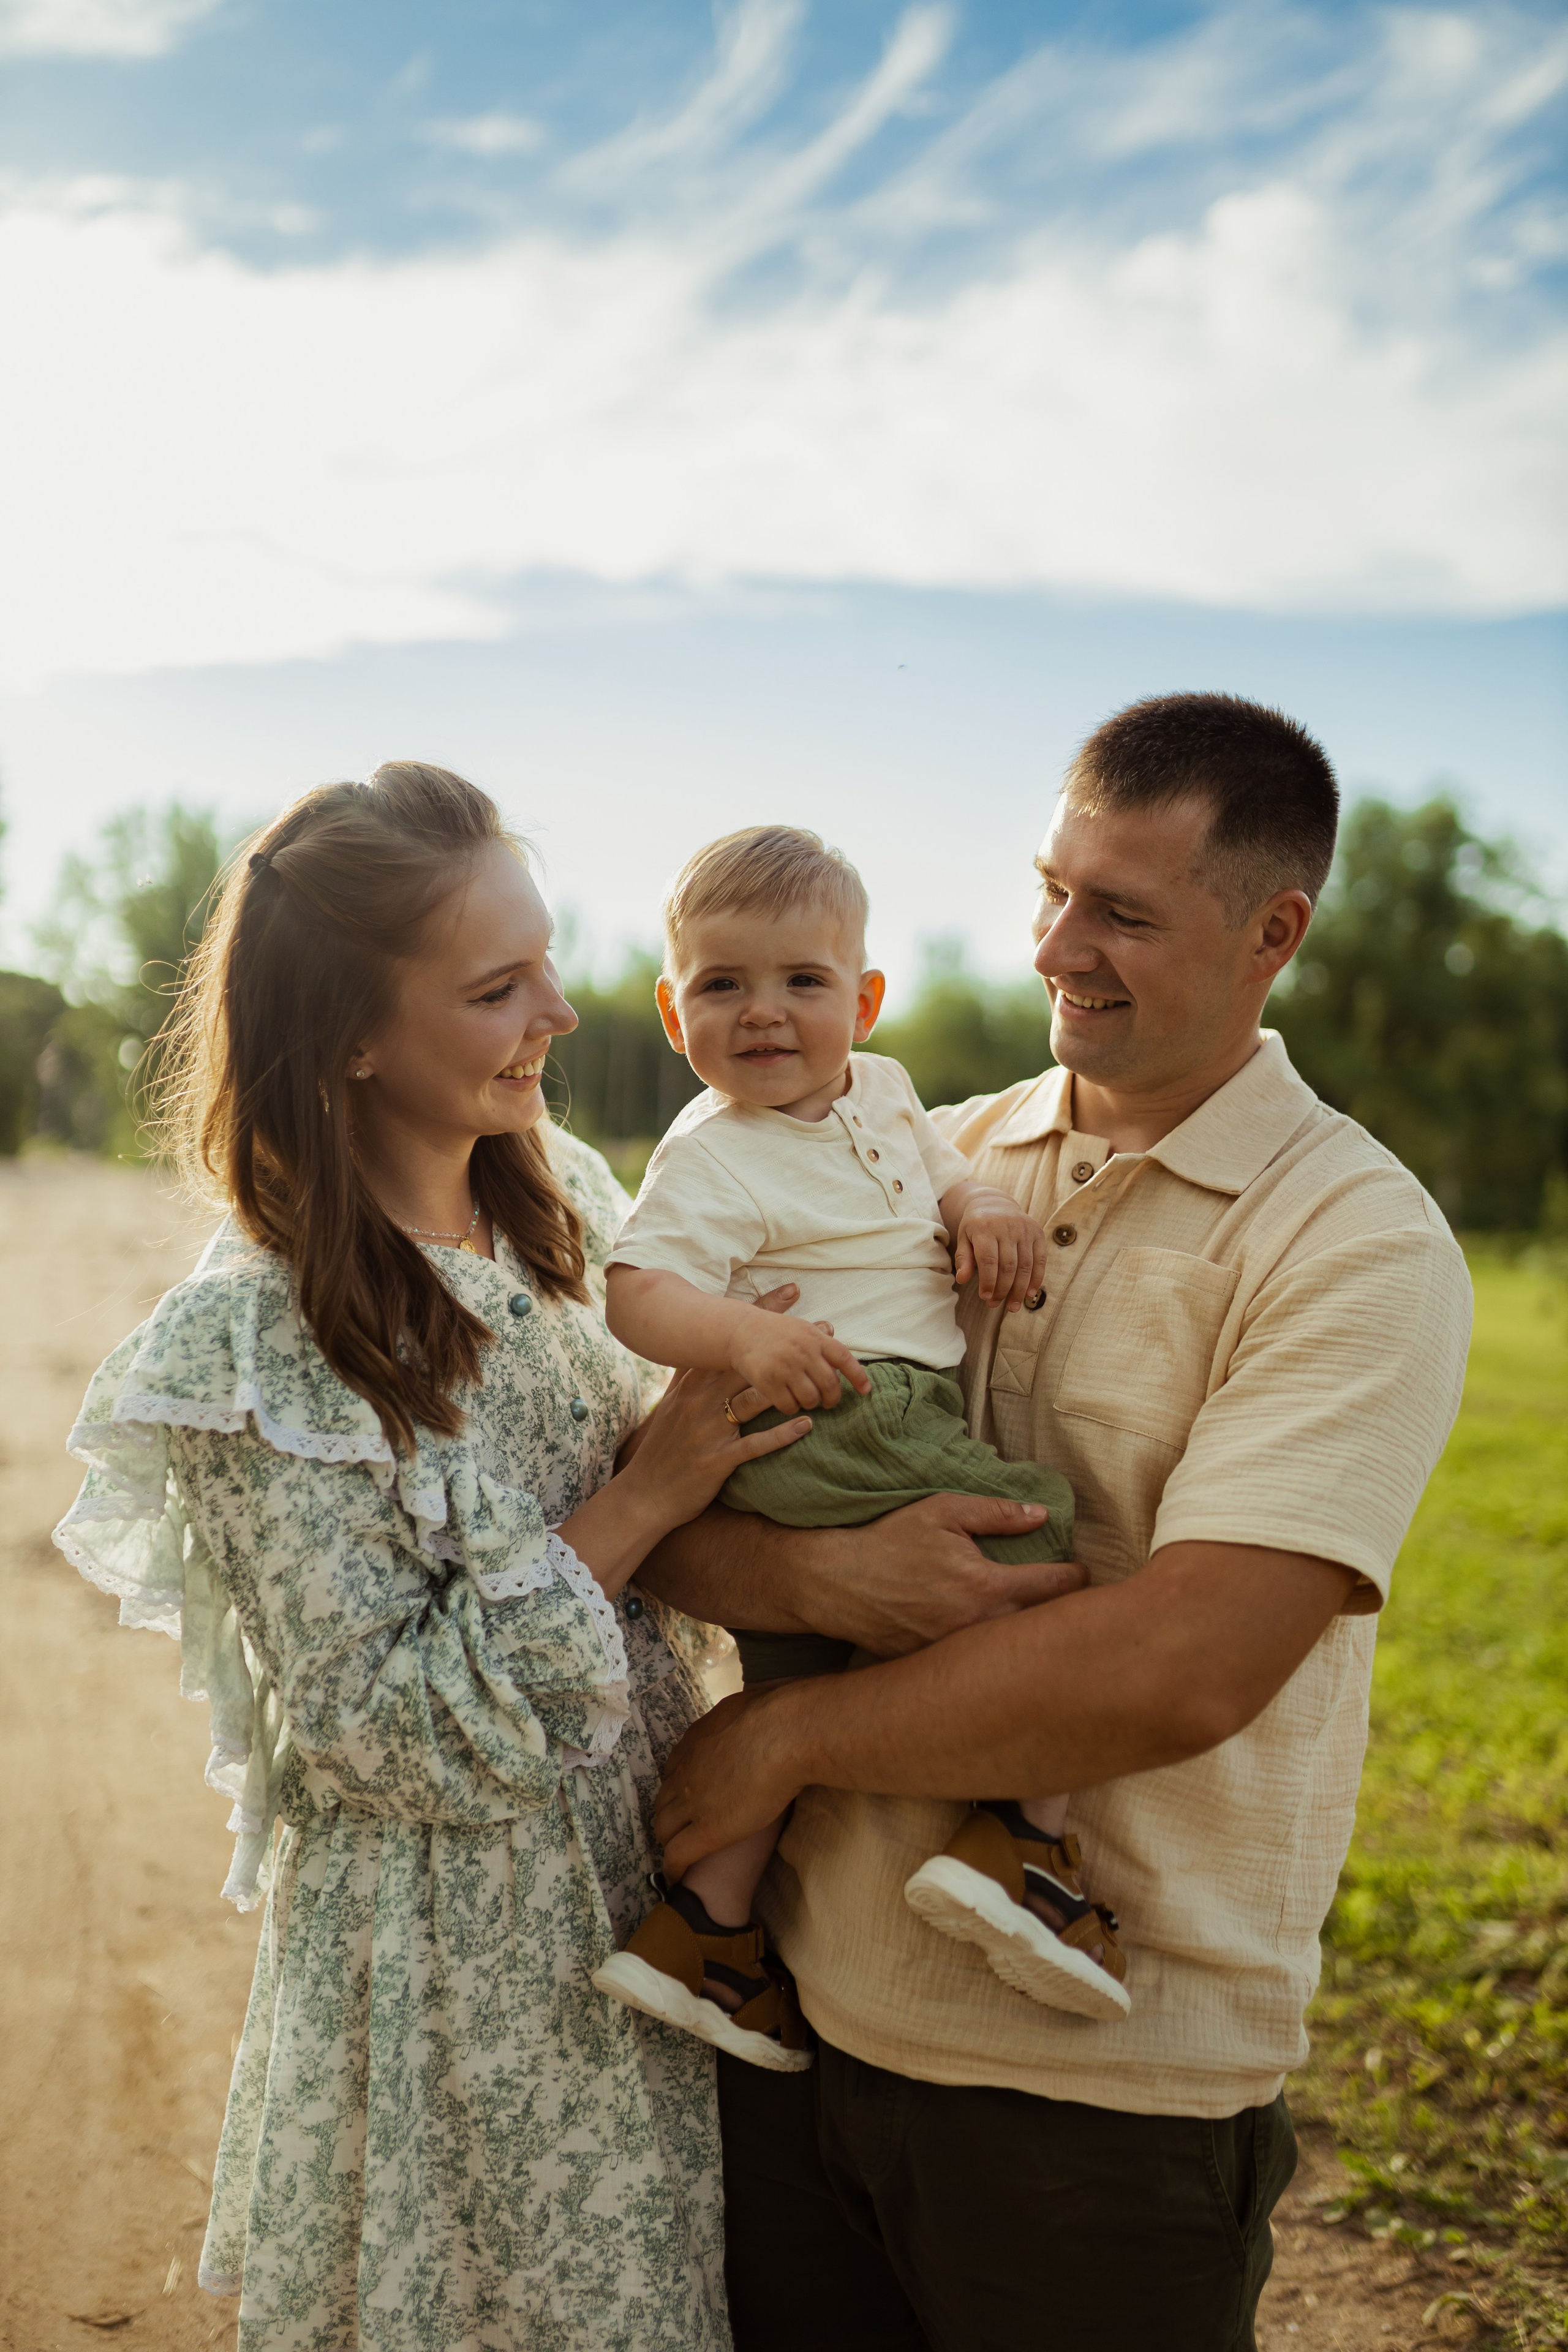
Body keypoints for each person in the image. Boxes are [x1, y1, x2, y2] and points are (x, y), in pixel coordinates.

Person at [638, 695, 1475, 2352]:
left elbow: (1184, 1667)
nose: (1056, 946)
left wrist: (781, 1741)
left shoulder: (1353, 1242)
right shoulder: (912, 1161)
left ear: (1271, 933)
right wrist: (817, 1573)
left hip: (1100, 2098)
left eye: (1123, 913)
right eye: (1052, 888)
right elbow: (669, 1511)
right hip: (806, 2030)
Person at [52, 763, 812, 2352]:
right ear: (348, 1038)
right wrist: (646, 1497)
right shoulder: (251, 1346)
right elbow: (376, 1731)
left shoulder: (575, 1212)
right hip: (460, 1970)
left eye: (547, 957)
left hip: (658, 1896)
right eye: (495, 986)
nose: (559, 1007)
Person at [590, 826, 1128, 2071]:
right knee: (1034, 1538)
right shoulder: (714, 1150)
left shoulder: (883, 1090)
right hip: (838, 1403)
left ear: (863, 999)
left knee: (791, 1674)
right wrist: (737, 1337)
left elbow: (943, 1180)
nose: (762, 1014)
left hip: (868, 1418)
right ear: (676, 1013)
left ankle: (704, 1936)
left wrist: (986, 1209)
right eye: (722, 985)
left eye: (801, 982)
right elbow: (634, 1293)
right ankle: (1022, 1844)